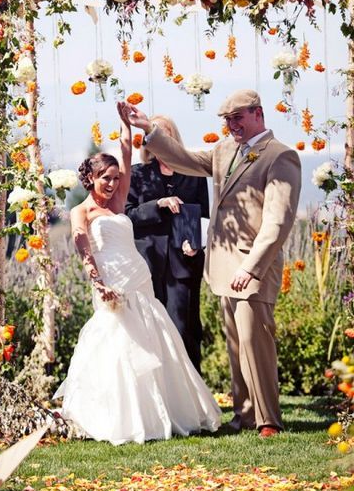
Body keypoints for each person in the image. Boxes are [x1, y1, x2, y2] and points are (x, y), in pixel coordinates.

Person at [119, 89, 301, 438]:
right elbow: (186, 159)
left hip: (253, 266)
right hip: (222, 266)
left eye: (238, 117)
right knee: (236, 343)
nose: (231, 125)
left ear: (258, 114)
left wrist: (251, 267)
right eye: (227, 120)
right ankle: (245, 415)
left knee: (254, 341)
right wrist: (149, 130)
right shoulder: (224, 151)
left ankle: (268, 420)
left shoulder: (281, 156)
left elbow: (278, 222)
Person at [53, 104, 220, 445]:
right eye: (106, 179)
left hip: (137, 275)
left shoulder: (116, 203)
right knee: (115, 342)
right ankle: (117, 415)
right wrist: (98, 284)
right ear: (90, 179)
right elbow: (83, 248)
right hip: (111, 280)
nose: (114, 184)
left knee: (156, 338)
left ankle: (166, 409)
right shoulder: (80, 211)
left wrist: (125, 126)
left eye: (116, 179)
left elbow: (127, 155)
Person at [125, 115, 209, 373]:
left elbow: (204, 216)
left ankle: (194, 398)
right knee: (149, 331)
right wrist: (157, 205)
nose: (161, 138)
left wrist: (196, 244)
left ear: (174, 139)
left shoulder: (193, 173)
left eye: (166, 134)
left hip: (185, 262)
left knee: (185, 328)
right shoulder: (138, 175)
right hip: (148, 263)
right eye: (155, 134)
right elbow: (127, 215)